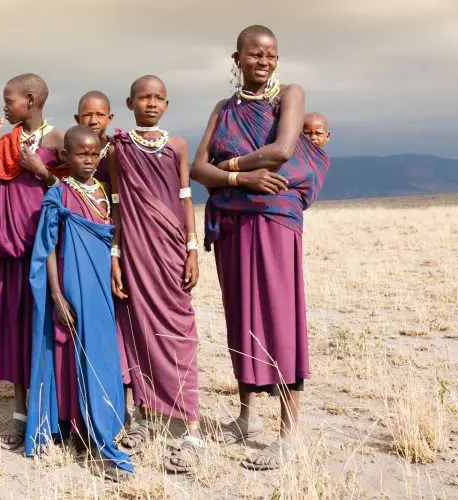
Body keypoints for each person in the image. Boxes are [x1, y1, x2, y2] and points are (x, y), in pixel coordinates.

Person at [190, 24, 330, 471]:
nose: (264, 61)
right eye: (254, 54)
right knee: (242, 314)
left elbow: (283, 149)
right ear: (237, 59)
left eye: (270, 54)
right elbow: (197, 169)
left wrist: (226, 167)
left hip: (274, 220)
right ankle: (246, 417)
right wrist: (241, 177)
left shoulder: (289, 94)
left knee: (279, 315)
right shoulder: (223, 108)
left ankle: (289, 434)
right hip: (233, 223)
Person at [107, 75, 203, 473]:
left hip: (171, 250)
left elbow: (185, 197)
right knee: (138, 329)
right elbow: (115, 202)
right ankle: (145, 417)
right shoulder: (118, 149)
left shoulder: (177, 145)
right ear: (129, 102)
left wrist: (192, 248)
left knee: (180, 331)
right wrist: (115, 257)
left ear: (167, 103)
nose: (151, 103)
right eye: (143, 97)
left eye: (158, 97)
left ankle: (192, 429)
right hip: (134, 251)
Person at [26, 125, 133, 481]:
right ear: (64, 157)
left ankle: (98, 427)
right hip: (73, 285)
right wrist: (56, 295)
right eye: (80, 154)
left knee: (101, 354)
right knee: (78, 354)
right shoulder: (59, 194)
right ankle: (92, 438)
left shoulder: (103, 191)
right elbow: (48, 251)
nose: (88, 160)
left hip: (102, 284)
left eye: (93, 153)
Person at [0, 73, 71, 450]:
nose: (4, 106)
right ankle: (21, 413)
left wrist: (40, 171)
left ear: (31, 100)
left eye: (10, 99)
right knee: (19, 331)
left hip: (50, 252)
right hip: (15, 256)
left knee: (50, 332)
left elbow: (72, 189)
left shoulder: (59, 139)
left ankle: (56, 412)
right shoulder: (7, 142)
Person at [74, 91, 115, 185]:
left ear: (109, 118)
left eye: (100, 115)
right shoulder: (70, 152)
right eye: (87, 115)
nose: (93, 121)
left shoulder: (117, 150)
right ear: (77, 119)